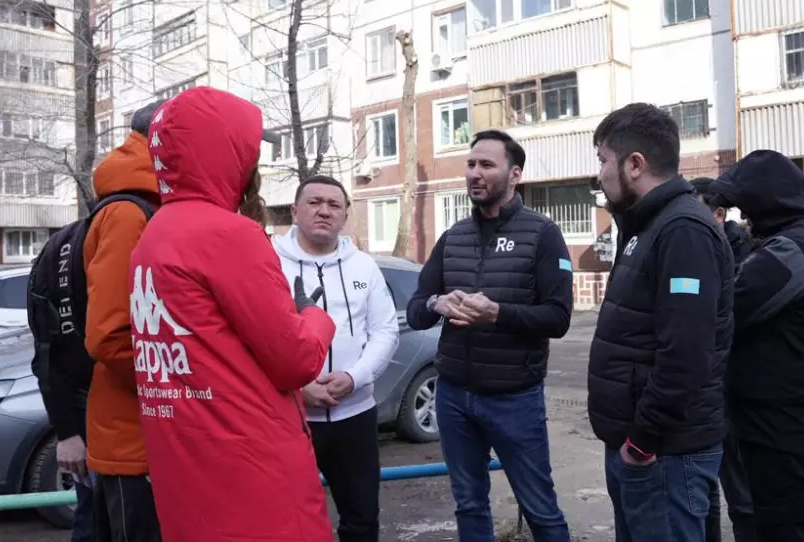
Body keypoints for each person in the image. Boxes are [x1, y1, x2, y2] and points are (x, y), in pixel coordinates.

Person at [129, 87, 337, 542]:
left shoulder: (154, 234)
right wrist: (316, 317)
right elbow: (296, 360)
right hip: (253, 472)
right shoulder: (228, 234)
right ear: (224, 152)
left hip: (188, 469)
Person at [407, 129, 573, 542]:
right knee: (468, 503)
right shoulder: (453, 238)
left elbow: (558, 318)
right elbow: (416, 310)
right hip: (453, 396)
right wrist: (437, 304)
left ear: (515, 174)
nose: (474, 173)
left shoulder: (542, 234)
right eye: (470, 164)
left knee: (539, 506)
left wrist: (497, 314)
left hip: (514, 399)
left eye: (486, 165)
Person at [587, 103, 735, 542]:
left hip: (664, 454)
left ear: (635, 164)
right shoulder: (647, 226)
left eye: (603, 160)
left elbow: (685, 353)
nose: (599, 174)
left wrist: (642, 443)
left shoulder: (682, 230)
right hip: (646, 449)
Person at [707, 150, 804, 542]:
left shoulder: (797, 248)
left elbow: (725, 306)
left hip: (791, 435)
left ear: (771, 201)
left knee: (795, 529)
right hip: (791, 428)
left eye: (749, 208)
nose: (746, 219)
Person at [273, 175, 399, 542]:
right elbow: (253, 338)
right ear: (295, 211)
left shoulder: (364, 266)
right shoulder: (268, 263)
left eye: (334, 205)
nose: (324, 211)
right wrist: (298, 388)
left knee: (361, 519)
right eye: (314, 202)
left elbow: (385, 332)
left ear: (345, 215)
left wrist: (355, 377)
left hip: (354, 416)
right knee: (288, 520)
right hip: (289, 417)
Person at [83, 99, 166, 542]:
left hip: (149, 433)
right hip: (133, 441)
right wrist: (190, 386)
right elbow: (110, 336)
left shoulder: (150, 204)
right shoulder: (130, 212)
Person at [689, 177, 756, 542]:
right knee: (703, 491)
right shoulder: (692, 247)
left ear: (718, 214)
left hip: (735, 394)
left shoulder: (746, 255)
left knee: (742, 498)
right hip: (704, 396)